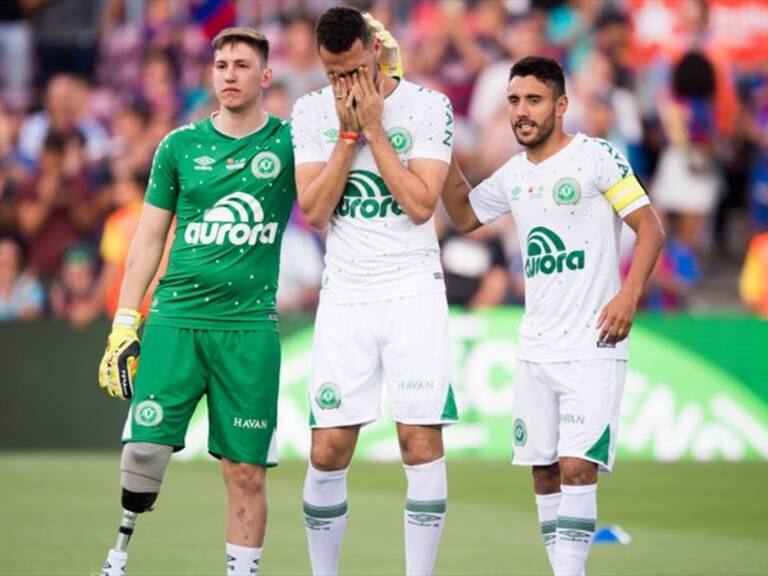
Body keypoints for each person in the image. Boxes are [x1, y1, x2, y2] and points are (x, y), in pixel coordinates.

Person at [441, 56, 664, 576]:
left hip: (593, 342)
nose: (522, 111)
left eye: (534, 100)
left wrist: (628, 296)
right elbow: (466, 213)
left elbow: (650, 228)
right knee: (543, 473)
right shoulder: (515, 174)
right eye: (514, 101)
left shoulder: (596, 157)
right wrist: (443, 147)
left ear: (561, 106)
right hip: (535, 344)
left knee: (576, 466)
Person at [97, 27, 296, 576]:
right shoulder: (179, 146)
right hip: (175, 321)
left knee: (246, 472)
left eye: (241, 64)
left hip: (249, 329)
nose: (229, 74)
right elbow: (147, 242)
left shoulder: (290, 142)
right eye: (221, 65)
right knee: (143, 455)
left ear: (265, 76)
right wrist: (124, 320)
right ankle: (118, 558)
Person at [291, 6, 456, 576]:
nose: (346, 85)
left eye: (355, 71)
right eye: (335, 75)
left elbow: (419, 205)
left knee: (418, 440)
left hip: (413, 289)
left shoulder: (429, 106)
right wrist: (345, 134)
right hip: (346, 295)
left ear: (376, 53)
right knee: (327, 449)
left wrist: (376, 128)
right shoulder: (311, 112)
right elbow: (313, 211)